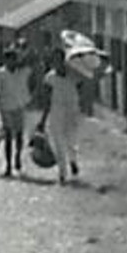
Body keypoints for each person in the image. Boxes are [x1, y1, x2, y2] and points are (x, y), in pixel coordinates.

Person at [36, 50, 83, 185]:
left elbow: (81, 87)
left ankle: (73, 160)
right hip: (56, 110)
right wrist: (43, 119)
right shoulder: (50, 78)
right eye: (54, 60)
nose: (57, 63)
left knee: (71, 138)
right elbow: (47, 99)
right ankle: (62, 172)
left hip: (72, 109)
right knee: (58, 142)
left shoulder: (74, 74)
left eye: (59, 60)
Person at [0, 48, 33, 177]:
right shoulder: (0, 74)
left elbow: (32, 62)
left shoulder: (22, 71)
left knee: (19, 135)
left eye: (14, 59)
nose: (11, 62)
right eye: (9, 59)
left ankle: (17, 156)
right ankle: (8, 164)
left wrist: (21, 50)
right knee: (8, 136)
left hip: (19, 106)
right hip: (6, 107)